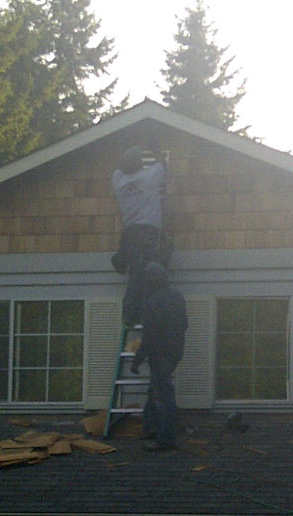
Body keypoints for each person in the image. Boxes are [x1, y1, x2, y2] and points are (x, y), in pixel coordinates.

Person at [131, 263, 187, 451]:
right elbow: (184, 324)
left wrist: (137, 360)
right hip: (175, 351)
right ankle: (150, 428)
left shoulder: (151, 302)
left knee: (163, 394)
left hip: (160, 353)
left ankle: (165, 440)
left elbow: (149, 335)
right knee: (156, 388)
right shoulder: (177, 297)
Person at [111, 145, 167, 326]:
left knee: (136, 272)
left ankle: (131, 314)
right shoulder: (149, 177)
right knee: (145, 274)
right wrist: (154, 144)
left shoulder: (118, 180)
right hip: (147, 233)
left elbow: (119, 168)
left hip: (129, 234)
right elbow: (162, 165)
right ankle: (139, 315)